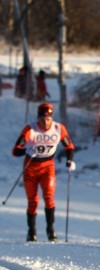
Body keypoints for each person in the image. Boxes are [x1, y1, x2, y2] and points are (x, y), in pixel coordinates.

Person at [12, 103, 76, 242]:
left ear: (51, 118)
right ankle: (32, 232)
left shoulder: (59, 129)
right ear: (38, 118)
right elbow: (15, 150)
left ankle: (50, 231)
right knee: (33, 201)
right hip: (31, 168)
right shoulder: (30, 130)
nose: (45, 122)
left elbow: (69, 146)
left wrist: (70, 160)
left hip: (48, 167)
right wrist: (27, 150)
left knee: (49, 197)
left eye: (48, 119)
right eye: (42, 119)